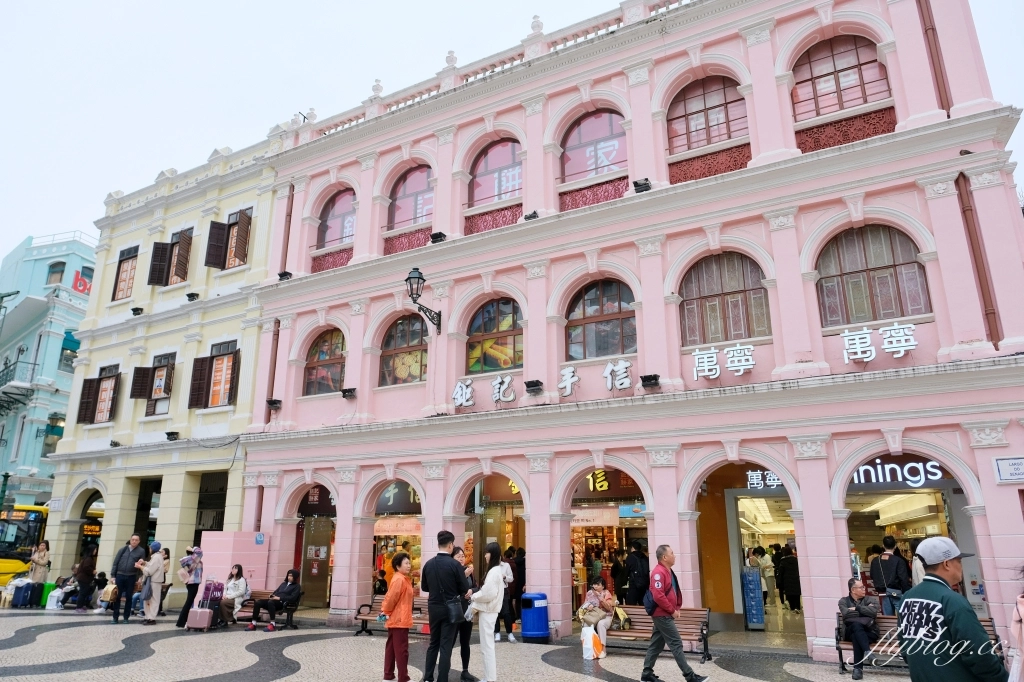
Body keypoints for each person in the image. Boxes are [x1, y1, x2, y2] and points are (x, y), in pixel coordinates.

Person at [897, 537, 1008, 682]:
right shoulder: (953, 601)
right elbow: (978, 652)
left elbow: (905, 645)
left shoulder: (907, 597)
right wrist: (1001, 677)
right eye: (959, 561)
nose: (961, 566)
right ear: (947, 564)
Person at [641, 545, 707, 682]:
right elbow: (658, 596)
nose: (674, 555)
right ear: (664, 557)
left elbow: (672, 591)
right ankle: (689, 675)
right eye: (672, 553)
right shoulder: (658, 573)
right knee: (676, 643)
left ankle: (647, 673)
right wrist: (672, 611)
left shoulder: (667, 571)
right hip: (662, 615)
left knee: (656, 644)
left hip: (664, 614)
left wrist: (676, 607)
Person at [421, 530, 473, 682]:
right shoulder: (454, 565)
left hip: (434, 607)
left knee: (433, 643)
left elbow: (424, 587)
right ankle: (442, 679)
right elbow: (464, 589)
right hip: (450, 609)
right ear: (450, 545)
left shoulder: (428, 564)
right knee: (445, 645)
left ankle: (428, 677)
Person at [469, 542, 505, 682]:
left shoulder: (494, 572)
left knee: (487, 646)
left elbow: (488, 593)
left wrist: (474, 596)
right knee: (487, 645)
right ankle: (489, 676)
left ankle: (489, 678)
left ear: (493, 554)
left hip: (488, 611)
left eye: (487, 553)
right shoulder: (496, 570)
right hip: (490, 611)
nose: (485, 556)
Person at [382, 552, 415, 682]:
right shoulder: (399, 579)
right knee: (402, 649)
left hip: (397, 618)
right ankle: (403, 677)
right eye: (406, 563)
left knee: (391, 647)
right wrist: (386, 611)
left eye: (409, 563)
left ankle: (388, 675)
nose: (409, 565)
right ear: (397, 566)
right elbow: (391, 598)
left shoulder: (401, 578)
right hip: (400, 619)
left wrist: (387, 612)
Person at [839, 578, 879, 680]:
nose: (864, 589)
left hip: (870, 632)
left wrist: (857, 608)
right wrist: (865, 612)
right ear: (853, 590)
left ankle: (858, 669)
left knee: (856, 636)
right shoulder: (843, 601)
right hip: (849, 631)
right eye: (861, 587)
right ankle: (867, 652)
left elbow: (874, 611)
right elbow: (846, 614)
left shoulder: (870, 599)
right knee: (856, 626)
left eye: (863, 587)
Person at [452, 546, 478, 682]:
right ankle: (445, 668)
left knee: (465, 641)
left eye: (462, 556)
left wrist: (472, 591)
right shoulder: (451, 571)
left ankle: (465, 670)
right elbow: (452, 588)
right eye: (458, 556)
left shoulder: (469, 570)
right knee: (450, 642)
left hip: (467, 610)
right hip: (454, 611)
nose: (461, 558)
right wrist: (464, 576)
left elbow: (476, 586)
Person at [869, 535, 911, 616]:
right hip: (897, 593)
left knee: (888, 618)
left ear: (883, 546)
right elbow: (903, 579)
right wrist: (906, 592)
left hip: (883, 593)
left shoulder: (875, 561)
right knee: (903, 617)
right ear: (895, 546)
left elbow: (872, 575)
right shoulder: (899, 560)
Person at [110, 534, 146, 624]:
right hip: (120, 575)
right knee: (117, 596)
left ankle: (126, 617)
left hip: (131, 576)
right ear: (130, 540)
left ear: (139, 541)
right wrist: (113, 575)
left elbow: (141, 565)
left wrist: (140, 577)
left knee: (129, 597)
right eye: (133, 539)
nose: (134, 541)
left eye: (136, 540)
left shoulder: (141, 551)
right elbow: (115, 563)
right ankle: (115, 617)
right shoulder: (122, 549)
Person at [584, 575, 615, 652]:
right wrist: (588, 606)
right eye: (594, 584)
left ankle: (602, 648)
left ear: (603, 586)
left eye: (598, 585)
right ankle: (589, 648)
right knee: (586, 624)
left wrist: (600, 597)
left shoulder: (606, 593)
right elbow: (585, 605)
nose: (595, 586)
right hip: (593, 616)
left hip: (606, 616)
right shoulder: (589, 593)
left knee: (601, 624)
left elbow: (609, 608)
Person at [175, 546, 204, 628]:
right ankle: (181, 622)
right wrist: (192, 548)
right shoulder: (192, 558)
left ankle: (184, 621)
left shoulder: (190, 559)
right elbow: (200, 552)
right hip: (193, 582)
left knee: (189, 602)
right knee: (189, 602)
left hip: (191, 582)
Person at [136, 541, 164, 625]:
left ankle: (151, 618)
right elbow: (152, 566)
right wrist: (145, 563)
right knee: (148, 599)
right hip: (152, 581)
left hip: (154, 581)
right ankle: (148, 617)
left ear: (152, 548)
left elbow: (149, 571)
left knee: (153, 600)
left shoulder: (156, 557)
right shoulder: (157, 556)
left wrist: (140, 567)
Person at [494, 548, 516, 643]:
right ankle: (497, 632)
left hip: (504, 590)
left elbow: (511, 578)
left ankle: (509, 633)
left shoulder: (506, 565)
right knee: (495, 612)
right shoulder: (492, 566)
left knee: (506, 612)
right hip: (495, 590)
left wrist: (504, 577)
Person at [776, 545, 801, 613]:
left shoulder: (783, 561)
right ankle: (797, 607)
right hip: (796, 578)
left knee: (789, 594)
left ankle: (792, 607)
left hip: (787, 580)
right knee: (796, 593)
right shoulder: (796, 560)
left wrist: (779, 581)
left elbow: (781, 572)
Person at [625, 540, 650, 606]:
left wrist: (624, 581)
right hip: (644, 584)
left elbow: (626, 571)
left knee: (631, 604)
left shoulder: (630, 557)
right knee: (643, 604)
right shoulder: (645, 557)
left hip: (634, 585)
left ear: (633, 548)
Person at [74, 546, 97, 612]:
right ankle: (79, 607)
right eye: (95, 549)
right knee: (82, 593)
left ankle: (81, 605)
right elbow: (86, 567)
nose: (95, 551)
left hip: (84, 578)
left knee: (84, 592)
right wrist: (92, 571)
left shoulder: (87, 558)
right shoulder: (88, 559)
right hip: (84, 579)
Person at [513, 548, 526, 621]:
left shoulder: (513, 561)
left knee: (517, 601)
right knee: (525, 599)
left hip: (516, 582)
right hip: (524, 582)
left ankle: (518, 616)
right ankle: (524, 615)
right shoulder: (526, 561)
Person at [158, 548, 170, 617]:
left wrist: (161, 558)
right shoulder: (159, 558)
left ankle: (160, 608)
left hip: (162, 576)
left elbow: (164, 569)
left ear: (166, 553)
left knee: (160, 592)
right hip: (157, 576)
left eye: (162, 552)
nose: (161, 553)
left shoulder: (167, 560)